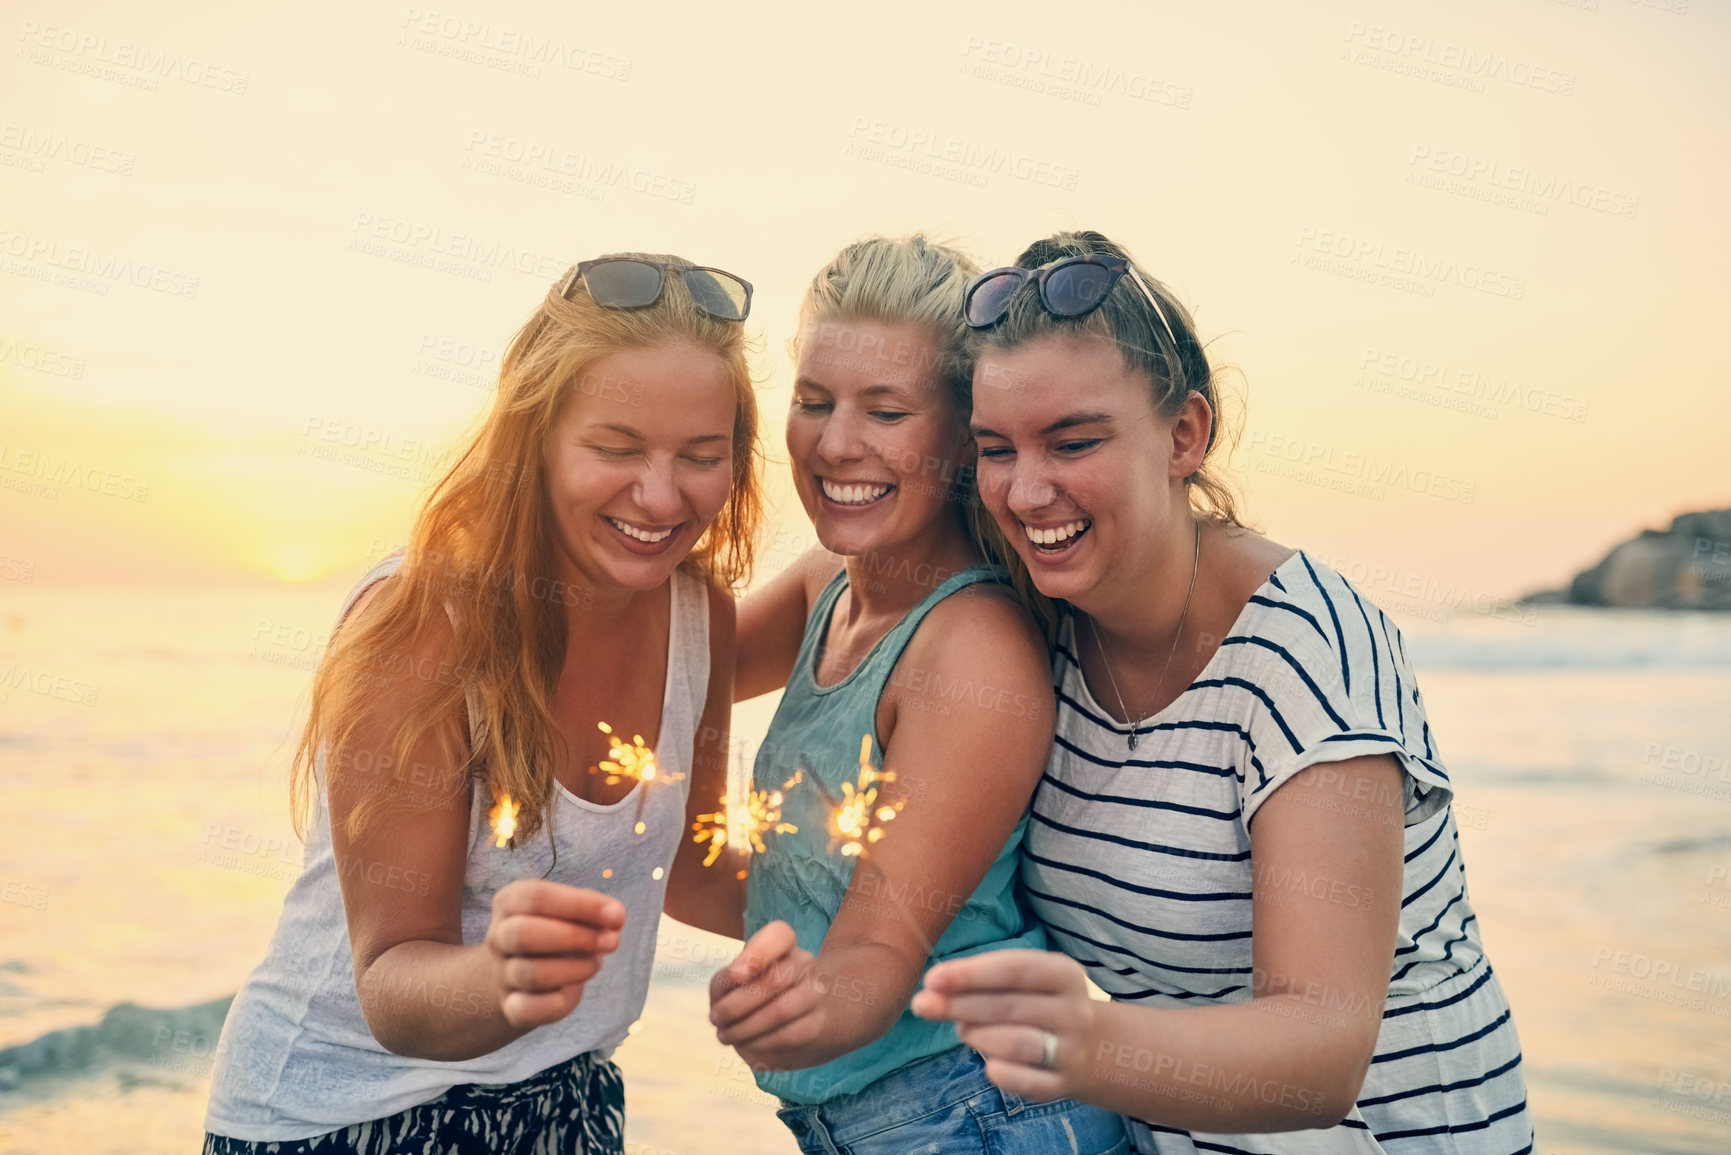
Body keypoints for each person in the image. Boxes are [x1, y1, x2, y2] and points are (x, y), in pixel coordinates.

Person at [913, 230, 1535, 1154]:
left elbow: (1323, 1048)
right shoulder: (1034, 625)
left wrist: (1077, 1038)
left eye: (1072, 441)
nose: (1028, 488)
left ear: (1184, 434)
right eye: (996, 448)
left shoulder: (1307, 648)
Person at [202, 254, 764, 1154]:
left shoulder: (702, 614)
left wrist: (888, 920)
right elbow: (392, 981)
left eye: (702, 456)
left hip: (564, 1099)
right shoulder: (423, 623)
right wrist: (496, 977)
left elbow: (694, 870)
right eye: (616, 449)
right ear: (532, 439)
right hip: (346, 1118)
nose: (662, 496)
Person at [708, 235, 1128, 1155]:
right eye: (813, 402)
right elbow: (675, 678)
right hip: (874, 1123)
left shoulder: (968, 652)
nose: (835, 440)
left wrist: (793, 1013)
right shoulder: (829, 580)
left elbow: (875, 956)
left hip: (980, 1116)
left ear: (959, 436)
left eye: (885, 411)